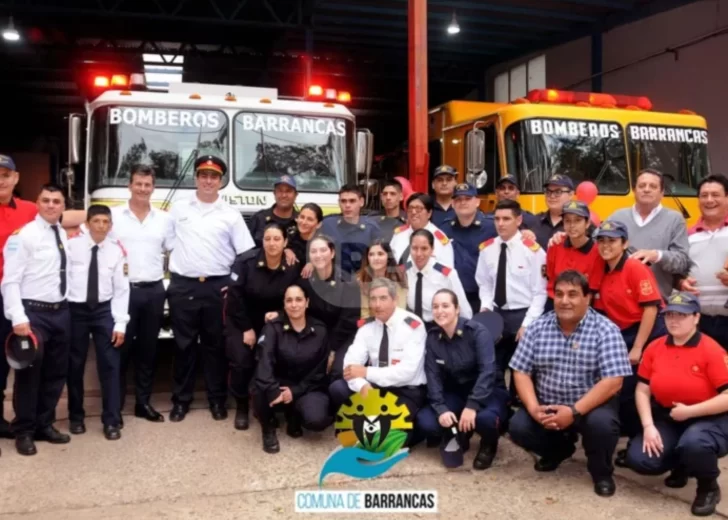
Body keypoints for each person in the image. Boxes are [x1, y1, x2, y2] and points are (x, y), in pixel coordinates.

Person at [508, 270, 633, 497]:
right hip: (549, 403)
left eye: (573, 294)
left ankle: (601, 472)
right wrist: (535, 409)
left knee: (602, 425)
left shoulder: (606, 330)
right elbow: (520, 371)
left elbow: (614, 381)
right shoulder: (537, 328)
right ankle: (559, 450)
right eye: (559, 294)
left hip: (590, 407)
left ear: (588, 298)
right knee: (519, 426)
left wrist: (574, 411)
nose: (565, 301)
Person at [0, 155, 85, 440]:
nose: (51, 205)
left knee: (55, 373)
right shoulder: (22, 236)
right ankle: (24, 430)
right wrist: (18, 317)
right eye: (46, 200)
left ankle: (44, 425)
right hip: (33, 313)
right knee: (29, 376)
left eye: (56, 202)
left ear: (62, 207)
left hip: (61, 312)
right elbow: (10, 280)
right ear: (37, 204)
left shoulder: (61, 233)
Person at [167, 155, 255, 423]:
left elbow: (245, 253)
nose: (208, 180)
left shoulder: (230, 214)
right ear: (196, 178)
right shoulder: (178, 209)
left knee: (215, 347)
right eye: (203, 175)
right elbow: (167, 243)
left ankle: (217, 399)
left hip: (218, 288)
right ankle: (181, 401)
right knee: (183, 346)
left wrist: (233, 283)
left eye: (214, 177)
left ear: (220, 181)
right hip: (183, 286)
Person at [625, 292, 728, 517]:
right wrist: (648, 426)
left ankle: (708, 486)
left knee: (695, 444)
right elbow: (642, 389)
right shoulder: (655, 347)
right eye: (670, 314)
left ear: (696, 318)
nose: (674, 320)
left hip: (708, 418)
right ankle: (682, 465)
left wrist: (691, 411)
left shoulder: (711, 349)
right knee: (640, 459)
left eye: (682, 315)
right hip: (669, 416)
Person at [592, 220, 665, 465]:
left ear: (625, 243)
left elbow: (651, 309)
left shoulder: (635, 268)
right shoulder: (602, 268)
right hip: (620, 332)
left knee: (638, 388)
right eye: (601, 240)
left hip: (646, 333)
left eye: (612, 241)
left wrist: (637, 348)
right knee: (619, 388)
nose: (605, 246)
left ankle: (638, 440)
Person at [416, 289, 509, 470]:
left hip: (487, 391)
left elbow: (487, 372)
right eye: (435, 307)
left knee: (485, 419)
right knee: (427, 421)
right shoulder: (433, 338)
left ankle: (489, 444)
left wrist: (472, 405)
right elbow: (432, 376)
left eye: (445, 306)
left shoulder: (477, 332)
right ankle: (459, 431)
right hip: (457, 392)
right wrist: (441, 408)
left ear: (457, 309)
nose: (440, 311)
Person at [329, 278, 427, 444]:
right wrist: (363, 386)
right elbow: (349, 366)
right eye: (373, 299)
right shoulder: (367, 327)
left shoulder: (413, 325)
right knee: (338, 388)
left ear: (395, 300)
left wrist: (366, 372)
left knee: (384, 439)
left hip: (405, 390)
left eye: (383, 298)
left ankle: (410, 428)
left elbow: (407, 372)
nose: (377, 304)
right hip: (375, 387)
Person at [112, 165, 173, 423]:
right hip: (123, 292)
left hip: (154, 291)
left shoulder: (163, 219)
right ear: (130, 185)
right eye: (138, 184)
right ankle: (113, 408)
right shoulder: (113, 216)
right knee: (119, 351)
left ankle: (142, 403)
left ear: (153, 188)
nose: (143, 189)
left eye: (147, 185)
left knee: (148, 351)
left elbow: (173, 249)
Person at [226, 223, 302, 430]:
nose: (272, 243)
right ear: (262, 241)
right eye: (268, 239)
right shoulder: (246, 262)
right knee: (241, 362)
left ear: (286, 242)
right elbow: (234, 297)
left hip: (275, 320)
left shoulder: (292, 265)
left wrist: (280, 314)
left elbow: (298, 295)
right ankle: (242, 405)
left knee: (275, 359)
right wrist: (247, 328)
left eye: (277, 239)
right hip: (242, 320)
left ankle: (271, 402)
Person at [66, 205, 130, 440]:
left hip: (104, 310)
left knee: (110, 365)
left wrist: (120, 323)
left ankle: (111, 420)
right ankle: (76, 416)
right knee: (75, 365)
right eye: (97, 221)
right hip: (76, 310)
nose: (101, 226)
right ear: (87, 223)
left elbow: (122, 289)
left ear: (110, 226)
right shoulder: (72, 246)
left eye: (106, 222)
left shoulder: (116, 251)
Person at [475, 199, 546, 387]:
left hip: (522, 315)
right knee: (492, 365)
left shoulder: (533, 251)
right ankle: (498, 405)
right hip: (496, 313)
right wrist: (486, 309)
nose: (500, 223)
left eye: (506, 219)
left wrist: (527, 324)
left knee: (521, 369)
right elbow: (485, 284)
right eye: (497, 219)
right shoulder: (487, 249)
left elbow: (540, 292)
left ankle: (517, 403)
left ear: (519, 220)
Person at [255, 285, 333, 454]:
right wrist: (273, 389)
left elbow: (320, 371)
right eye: (289, 300)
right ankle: (268, 429)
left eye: (299, 299)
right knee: (258, 387)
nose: (294, 305)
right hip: (278, 383)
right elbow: (264, 361)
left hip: (307, 386)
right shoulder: (273, 327)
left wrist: (295, 391)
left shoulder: (320, 330)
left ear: (307, 303)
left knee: (317, 420)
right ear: (283, 305)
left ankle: (294, 415)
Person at [608, 168, 690, 299]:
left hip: (656, 301)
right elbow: (596, 245)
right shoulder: (617, 217)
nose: (646, 189)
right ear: (634, 190)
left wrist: (657, 255)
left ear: (662, 193)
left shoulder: (675, 219)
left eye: (653, 186)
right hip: (619, 301)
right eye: (641, 186)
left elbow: (682, 262)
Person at [298, 235, 360, 381]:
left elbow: (348, 321)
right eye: (313, 251)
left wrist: (332, 349)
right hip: (314, 334)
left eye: (323, 250)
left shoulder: (348, 282)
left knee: (336, 371)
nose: (318, 255)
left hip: (341, 336)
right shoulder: (304, 282)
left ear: (332, 253)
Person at [678, 175, 728, 349]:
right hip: (700, 322)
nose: (709, 200)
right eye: (704, 195)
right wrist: (681, 282)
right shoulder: (687, 235)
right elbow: (678, 273)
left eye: (715, 195)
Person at [444, 183, 495, 312]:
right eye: (458, 199)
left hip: (484, 297)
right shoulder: (444, 228)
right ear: (452, 204)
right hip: (454, 296)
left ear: (477, 202)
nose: (463, 203)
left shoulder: (492, 227)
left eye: (468, 199)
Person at [405, 229, 472, 328]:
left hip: (440, 328)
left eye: (424, 248)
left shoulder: (447, 274)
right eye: (415, 248)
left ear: (432, 249)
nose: (419, 254)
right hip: (412, 328)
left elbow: (464, 311)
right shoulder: (404, 272)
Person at [545, 201, 604, 312]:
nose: (572, 225)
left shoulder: (597, 252)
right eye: (567, 221)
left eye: (578, 220)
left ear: (587, 223)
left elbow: (590, 291)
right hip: (554, 302)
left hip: (581, 307)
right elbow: (550, 276)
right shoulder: (555, 245)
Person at [319, 184, 380, 276]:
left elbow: (378, 260)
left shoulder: (372, 229)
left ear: (361, 202)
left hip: (361, 281)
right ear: (339, 202)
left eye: (352, 201)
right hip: (332, 282)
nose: (347, 205)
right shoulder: (327, 224)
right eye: (343, 201)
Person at [390, 193, 454, 267]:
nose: (413, 212)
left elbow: (447, 271)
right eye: (410, 208)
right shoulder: (399, 234)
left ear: (429, 213)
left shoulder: (439, 239)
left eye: (419, 209)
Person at [357, 240, 408, 318]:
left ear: (388, 257)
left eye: (380, 254)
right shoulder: (362, 278)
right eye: (371, 255)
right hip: (372, 322)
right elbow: (365, 312)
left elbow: (400, 309)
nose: (375, 258)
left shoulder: (399, 277)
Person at [248, 175, 298, 248]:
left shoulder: (301, 222)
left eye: (288, 191)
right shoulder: (259, 218)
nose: (284, 195)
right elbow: (247, 250)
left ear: (295, 195)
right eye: (280, 191)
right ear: (274, 193)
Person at [531, 174, 575, 250]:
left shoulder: (580, 224)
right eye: (548, 192)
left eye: (558, 192)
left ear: (571, 194)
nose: (552, 196)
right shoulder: (533, 221)